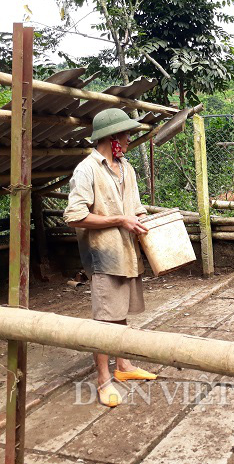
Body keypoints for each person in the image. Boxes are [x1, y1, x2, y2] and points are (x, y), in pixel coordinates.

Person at [64, 108, 157, 407]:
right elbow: (74, 216)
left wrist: (143, 220)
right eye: (127, 134)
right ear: (112, 137)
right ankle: (103, 380)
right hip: (103, 255)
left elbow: (135, 207)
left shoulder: (126, 167)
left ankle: (124, 366)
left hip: (127, 251)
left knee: (119, 311)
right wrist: (119, 220)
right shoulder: (86, 169)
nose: (130, 139)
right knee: (104, 319)